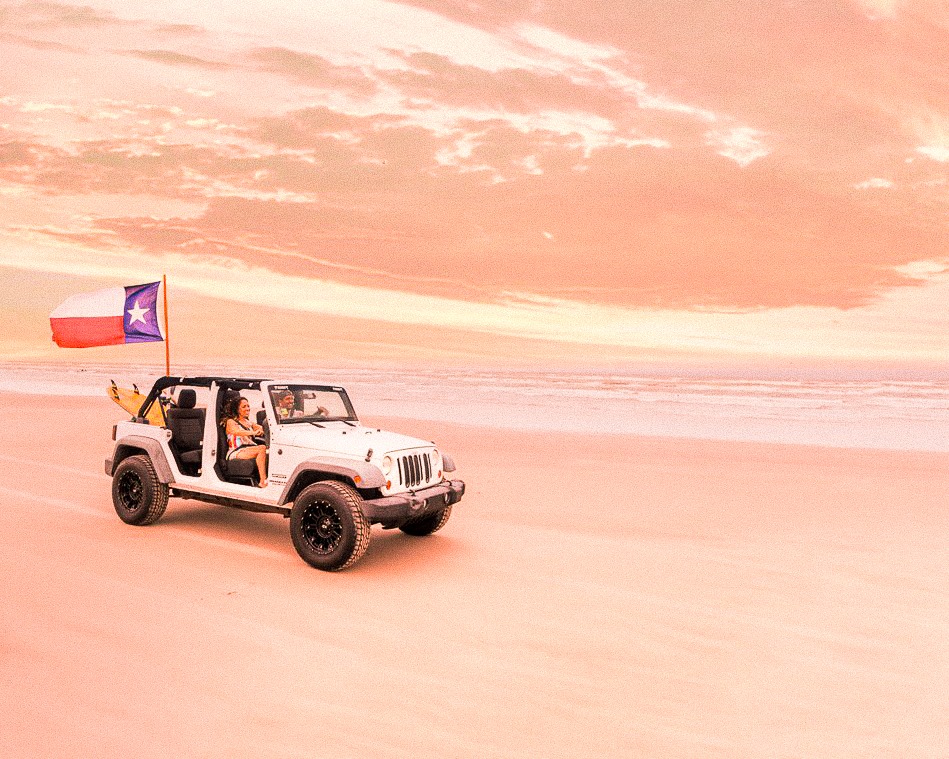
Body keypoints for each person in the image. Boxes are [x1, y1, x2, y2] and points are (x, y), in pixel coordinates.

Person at [222, 395, 268, 487]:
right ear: (237, 409)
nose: (247, 409)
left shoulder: (248, 422)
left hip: (248, 449)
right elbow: (237, 431)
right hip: (236, 451)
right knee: (261, 448)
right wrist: (253, 432)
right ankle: (263, 481)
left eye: (248, 406)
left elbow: (262, 428)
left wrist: (264, 429)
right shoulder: (231, 422)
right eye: (244, 407)